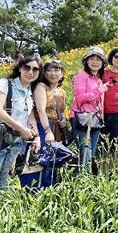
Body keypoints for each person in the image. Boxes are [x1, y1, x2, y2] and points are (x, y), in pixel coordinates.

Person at [0, 56, 41, 211]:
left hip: (16, 142)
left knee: (3, 184)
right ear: (19, 68)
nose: (30, 72)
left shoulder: (29, 91)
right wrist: (21, 129)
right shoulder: (5, 84)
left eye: (35, 69)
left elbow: (29, 115)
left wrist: (35, 136)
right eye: (27, 68)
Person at [22, 60, 68, 188]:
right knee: (37, 159)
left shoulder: (61, 91)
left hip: (56, 129)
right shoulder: (41, 87)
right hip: (42, 127)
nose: (53, 73)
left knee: (52, 161)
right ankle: (32, 190)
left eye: (57, 70)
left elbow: (61, 112)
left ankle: (49, 189)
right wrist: (48, 132)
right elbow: (41, 110)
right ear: (44, 73)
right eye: (49, 70)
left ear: (62, 73)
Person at [71, 47, 107, 172]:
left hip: (95, 119)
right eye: (92, 59)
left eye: (98, 59)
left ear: (102, 63)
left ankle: (83, 179)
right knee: (85, 154)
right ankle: (82, 183)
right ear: (86, 61)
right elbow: (80, 98)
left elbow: (99, 102)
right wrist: (98, 91)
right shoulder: (81, 76)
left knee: (90, 154)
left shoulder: (98, 79)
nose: (95, 62)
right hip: (82, 118)